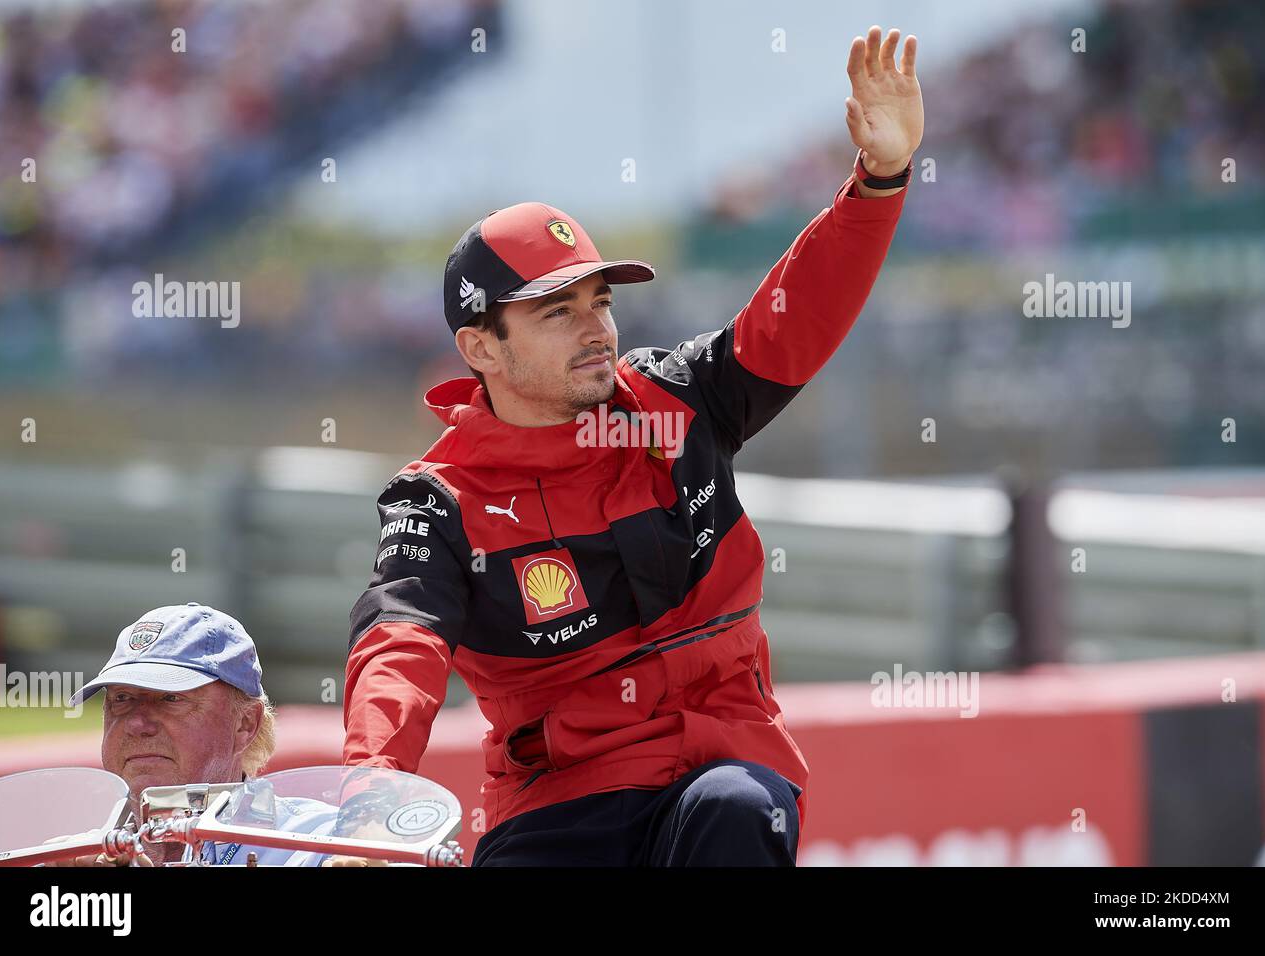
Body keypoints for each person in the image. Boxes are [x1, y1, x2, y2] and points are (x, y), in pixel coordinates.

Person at [344, 26, 924, 866]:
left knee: (734, 810)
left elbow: (795, 317)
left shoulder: (681, 397)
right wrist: (371, 781)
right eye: (557, 312)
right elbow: (401, 641)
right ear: (481, 349)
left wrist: (880, 180)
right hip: (557, 804)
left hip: (724, 762)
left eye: (600, 303)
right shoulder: (439, 500)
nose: (596, 330)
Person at [52, 603, 354, 866]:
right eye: (122, 699)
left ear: (245, 724)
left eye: (170, 699)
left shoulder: (320, 846)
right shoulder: (74, 856)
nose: (137, 724)